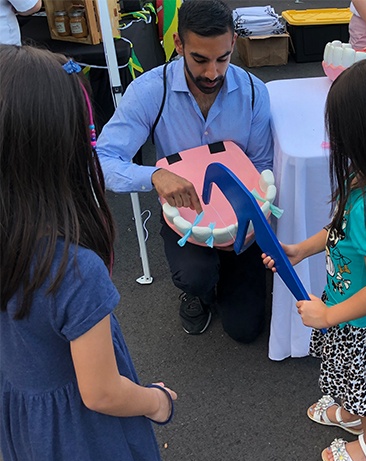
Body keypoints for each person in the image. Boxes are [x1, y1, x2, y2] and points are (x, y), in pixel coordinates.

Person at [0, 44, 180, 461]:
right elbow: (101, 391)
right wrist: (156, 401)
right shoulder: (73, 269)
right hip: (84, 436)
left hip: (28, 422)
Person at [262, 59, 366, 461]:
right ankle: (353, 415)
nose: (334, 137)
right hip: (347, 310)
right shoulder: (365, 178)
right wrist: (301, 249)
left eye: (340, 128)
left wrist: (330, 313)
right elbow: (339, 232)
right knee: (348, 375)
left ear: (365, 133)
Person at [97, 0, 273, 342]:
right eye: (200, 59)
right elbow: (102, 160)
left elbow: (264, 166)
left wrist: (253, 226)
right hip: (186, 216)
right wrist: (153, 176)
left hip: (240, 218)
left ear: (234, 42)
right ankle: (198, 291)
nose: (212, 73)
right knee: (195, 276)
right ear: (178, 44)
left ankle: (231, 275)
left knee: (245, 330)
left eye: (223, 58)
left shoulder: (253, 92)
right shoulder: (150, 91)